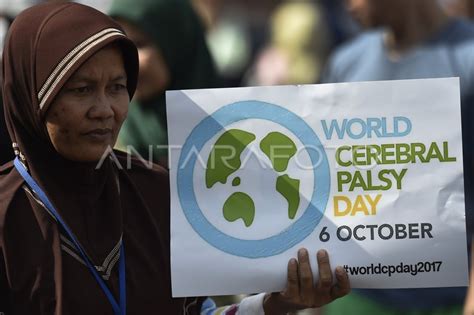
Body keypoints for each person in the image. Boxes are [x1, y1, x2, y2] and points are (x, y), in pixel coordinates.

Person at [0, 2, 351, 314]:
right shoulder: (6, 216)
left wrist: (276, 305)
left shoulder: (157, 194)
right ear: (32, 96)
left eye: (118, 87)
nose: (105, 110)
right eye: (82, 90)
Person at [321, 0, 474, 314]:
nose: (347, 5)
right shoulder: (346, 63)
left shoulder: (467, 60)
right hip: (354, 298)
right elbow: (328, 186)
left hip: (447, 301)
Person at [109, 0, 219, 167]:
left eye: (139, 44)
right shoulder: (106, 135)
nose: (126, 62)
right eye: (119, 47)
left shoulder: (237, 135)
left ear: (178, 44)